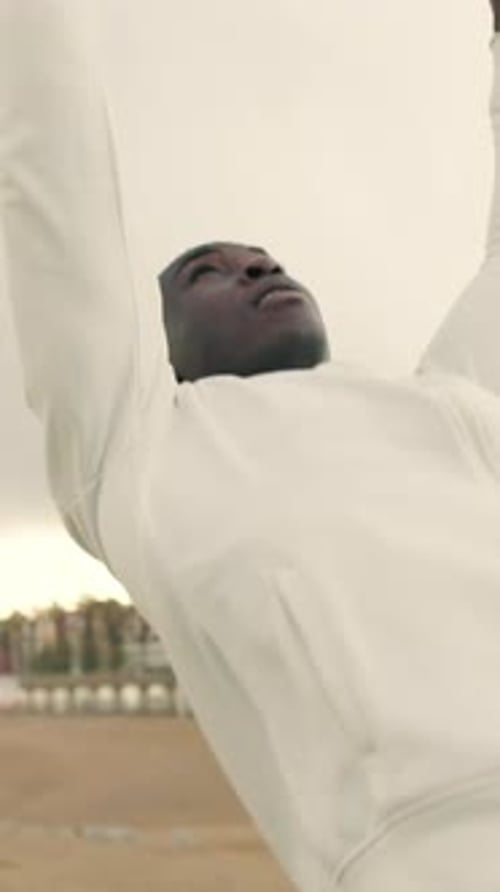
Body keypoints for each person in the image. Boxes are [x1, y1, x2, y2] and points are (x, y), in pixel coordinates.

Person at [2, 1, 500, 889]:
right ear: (151, 347)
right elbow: (53, 159)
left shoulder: (454, 405)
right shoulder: (138, 453)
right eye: (210, 271)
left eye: (263, 257)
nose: (259, 268)